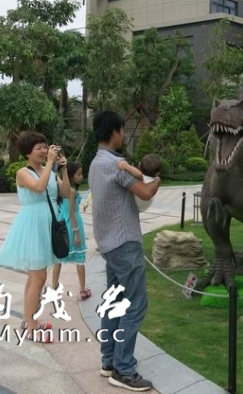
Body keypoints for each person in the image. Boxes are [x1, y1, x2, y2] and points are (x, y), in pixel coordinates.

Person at [89, 110, 161, 391]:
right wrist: (157, 179)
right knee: (135, 304)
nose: (123, 134)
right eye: (121, 130)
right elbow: (145, 192)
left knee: (115, 302)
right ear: (115, 132)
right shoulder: (115, 164)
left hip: (108, 244)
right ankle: (124, 369)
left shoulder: (96, 162)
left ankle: (109, 361)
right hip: (125, 244)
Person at [0, 132, 69, 341]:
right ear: (28, 152)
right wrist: (50, 164)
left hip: (49, 223)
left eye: (45, 147)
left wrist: (63, 170)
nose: (44, 151)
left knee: (35, 277)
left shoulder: (48, 170)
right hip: (33, 225)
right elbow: (39, 187)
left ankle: (29, 320)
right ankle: (31, 327)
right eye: (39, 148)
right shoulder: (23, 172)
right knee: (39, 277)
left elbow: (65, 192)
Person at [50, 162, 90, 301]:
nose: (81, 176)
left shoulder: (61, 190)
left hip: (62, 225)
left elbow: (56, 176)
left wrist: (61, 168)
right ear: (71, 177)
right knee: (79, 258)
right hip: (72, 226)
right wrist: (77, 233)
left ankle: (53, 289)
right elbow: (72, 213)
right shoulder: (71, 191)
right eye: (78, 174)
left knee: (58, 260)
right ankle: (83, 289)